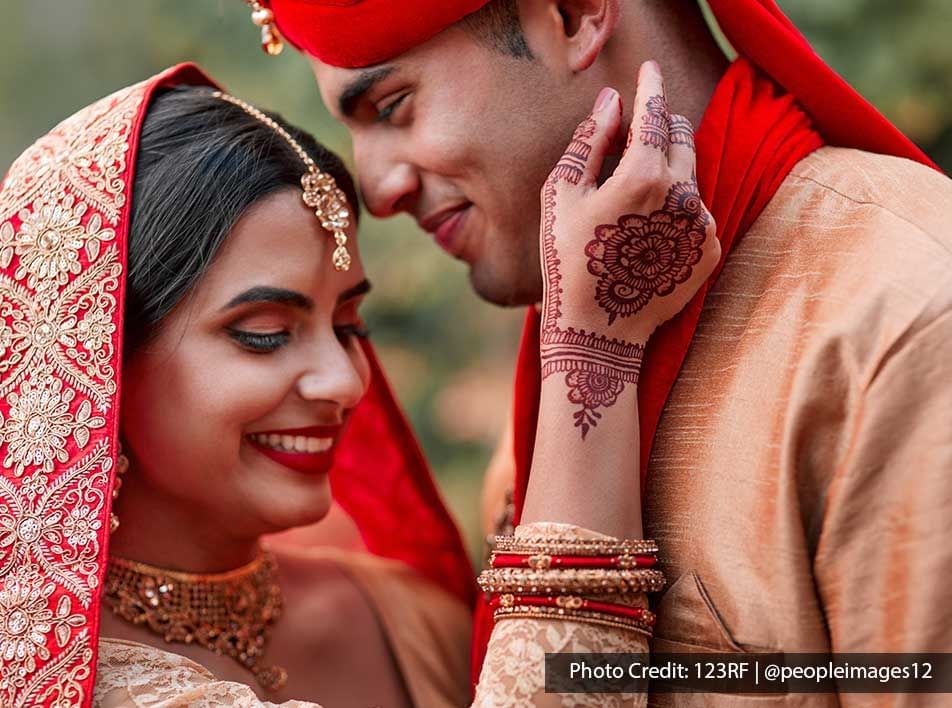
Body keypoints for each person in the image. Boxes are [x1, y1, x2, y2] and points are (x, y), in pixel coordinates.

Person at [259, 0, 952, 700]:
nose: (377, 190)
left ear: (575, 15)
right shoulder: (563, 371)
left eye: (391, 105)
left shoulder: (902, 318)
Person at [0, 59, 719, 706]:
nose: (345, 381)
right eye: (264, 335)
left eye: (352, 326)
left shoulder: (402, 616)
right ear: (101, 360)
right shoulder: (59, 682)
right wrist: (590, 353)